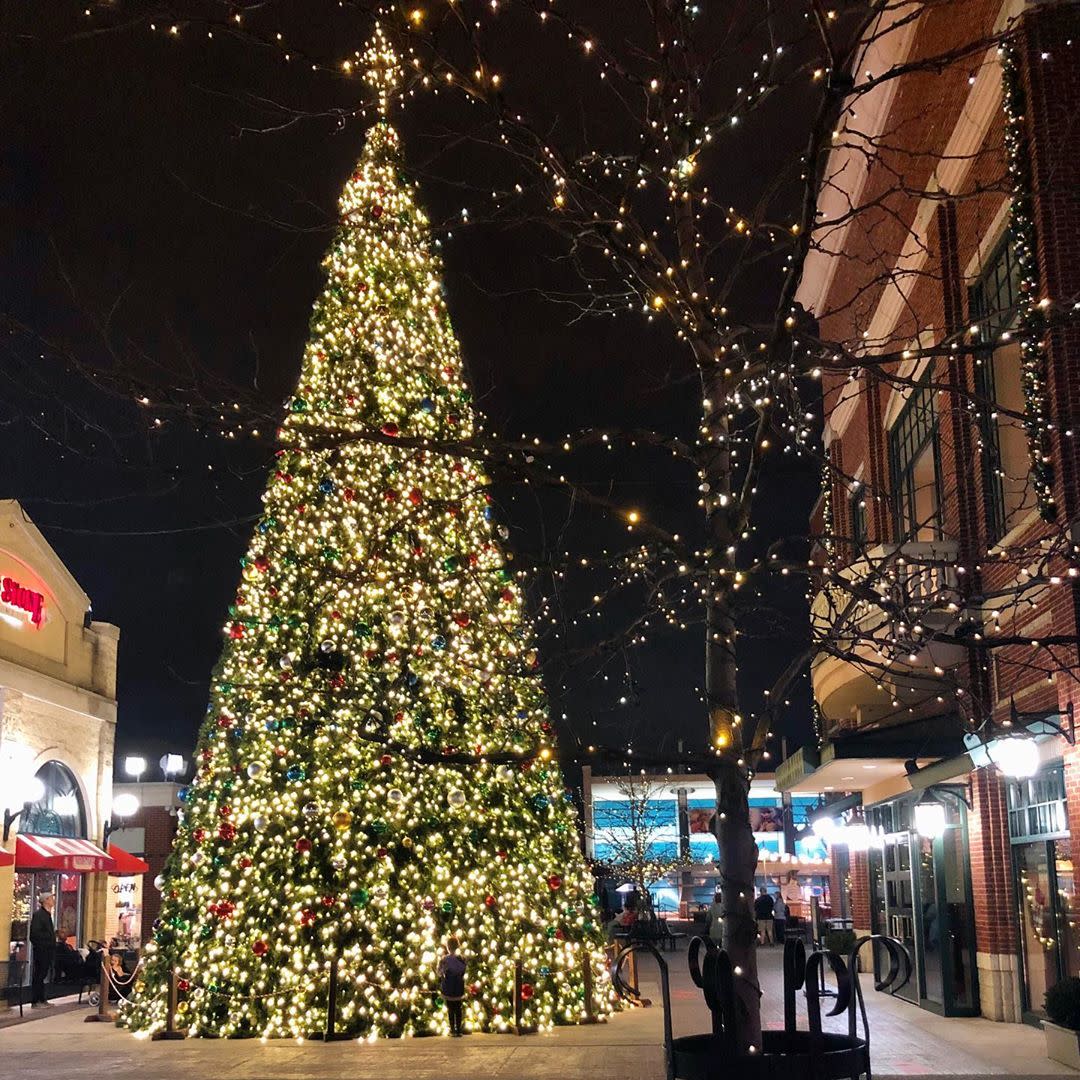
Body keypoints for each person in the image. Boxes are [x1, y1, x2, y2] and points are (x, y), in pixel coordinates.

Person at [29, 894, 56, 1007]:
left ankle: (42, 998)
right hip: (42, 950)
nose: (53, 900)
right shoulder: (39, 915)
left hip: (48, 950)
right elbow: (34, 934)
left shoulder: (47, 915)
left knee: (43, 974)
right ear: (45, 901)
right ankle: (36, 1000)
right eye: (51, 898)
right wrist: (48, 939)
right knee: (39, 974)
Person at [438, 937, 467, 1037]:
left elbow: (440, 972)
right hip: (459, 986)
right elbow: (464, 970)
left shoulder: (444, 959)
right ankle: (458, 1029)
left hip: (448, 987)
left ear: (448, 947)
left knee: (450, 1009)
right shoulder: (461, 959)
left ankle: (452, 1030)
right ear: (458, 946)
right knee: (458, 1008)